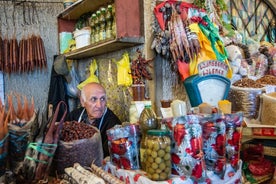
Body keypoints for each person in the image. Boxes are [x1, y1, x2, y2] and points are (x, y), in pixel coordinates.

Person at [65, 82, 121, 158]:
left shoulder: (113, 124)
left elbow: (108, 156)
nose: (99, 105)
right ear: (82, 102)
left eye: (102, 99)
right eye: (94, 99)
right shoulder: (74, 116)